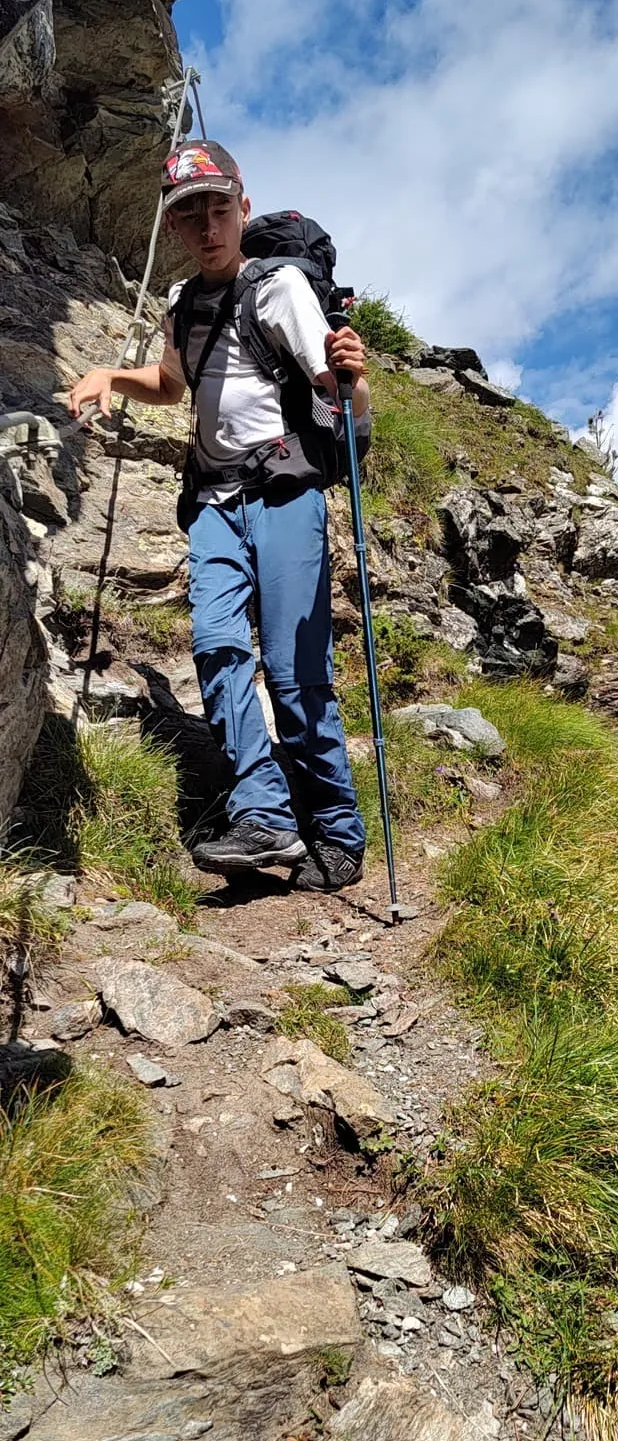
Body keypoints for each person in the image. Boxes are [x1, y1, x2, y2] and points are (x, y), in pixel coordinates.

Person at [69, 138, 369, 892]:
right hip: (211, 496)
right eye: (188, 215)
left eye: (217, 208)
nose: (206, 227)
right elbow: (173, 385)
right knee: (215, 644)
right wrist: (110, 373)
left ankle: (335, 829)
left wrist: (358, 386)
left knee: (295, 667)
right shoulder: (180, 301)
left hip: (283, 490)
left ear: (241, 205)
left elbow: (334, 389)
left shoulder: (277, 290)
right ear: (173, 227)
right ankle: (264, 813)